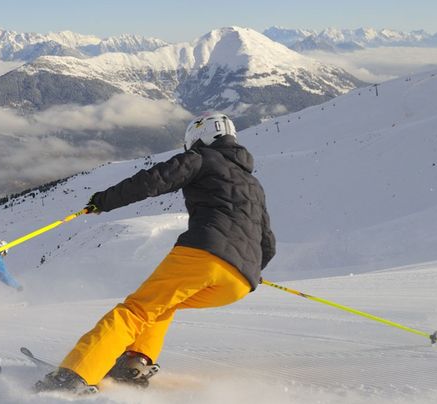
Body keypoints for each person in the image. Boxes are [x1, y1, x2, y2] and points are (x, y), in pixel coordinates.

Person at [34, 112, 276, 394]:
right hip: (238, 283)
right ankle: (134, 362)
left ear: (200, 135)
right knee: (163, 304)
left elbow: (153, 180)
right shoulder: (253, 185)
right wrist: (249, 268)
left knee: (134, 312)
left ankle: (71, 378)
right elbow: (267, 243)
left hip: (203, 255)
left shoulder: (202, 159)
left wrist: (103, 201)